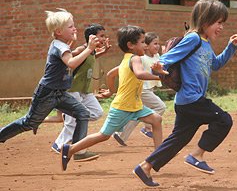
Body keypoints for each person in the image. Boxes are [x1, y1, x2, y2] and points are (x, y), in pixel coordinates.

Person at [133, 0, 237, 187]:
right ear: (206, 21)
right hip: (192, 100)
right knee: (224, 120)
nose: (222, 27)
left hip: (187, 102)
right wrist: (158, 68)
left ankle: (145, 167)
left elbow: (215, 64)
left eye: (223, 23)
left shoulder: (205, 43)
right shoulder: (193, 39)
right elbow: (168, 58)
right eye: (218, 22)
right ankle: (196, 155)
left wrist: (230, 48)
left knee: (177, 140)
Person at [0, 9, 99, 162]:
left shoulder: (61, 45)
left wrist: (75, 44)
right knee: (28, 123)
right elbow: (71, 63)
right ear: (59, 31)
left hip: (59, 93)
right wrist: (89, 49)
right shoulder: (60, 47)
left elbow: (68, 57)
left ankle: (78, 151)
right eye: (71, 26)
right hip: (47, 93)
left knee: (82, 113)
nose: (75, 29)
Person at [60, 25, 163, 171]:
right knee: (103, 135)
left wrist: (110, 91)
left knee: (156, 119)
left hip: (135, 105)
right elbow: (139, 74)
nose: (145, 46)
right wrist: (160, 76)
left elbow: (111, 74)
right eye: (142, 42)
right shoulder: (135, 59)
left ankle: (159, 156)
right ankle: (70, 149)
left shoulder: (127, 58)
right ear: (131, 45)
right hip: (123, 107)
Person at [49, 24, 111, 159]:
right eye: (101, 36)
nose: (104, 38)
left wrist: (103, 52)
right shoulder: (81, 49)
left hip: (84, 90)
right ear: (92, 37)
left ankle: (74, 120)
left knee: (97, 112)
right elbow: (69, 59)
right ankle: (60, 145)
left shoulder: (91, 51)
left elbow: (88, 58)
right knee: (72, 123)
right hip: (73, 89)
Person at [110, 32, 166, 146]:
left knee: (136, 113)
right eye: (154, 44)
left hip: (148, 89)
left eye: (158, 44)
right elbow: (117, 71)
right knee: (160, 106)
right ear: (147, 46)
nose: (157, 46)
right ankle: (147, 127)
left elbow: (162, 64)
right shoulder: (140, 58)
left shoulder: (156, 56)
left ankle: (121, 135)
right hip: (142, 90)